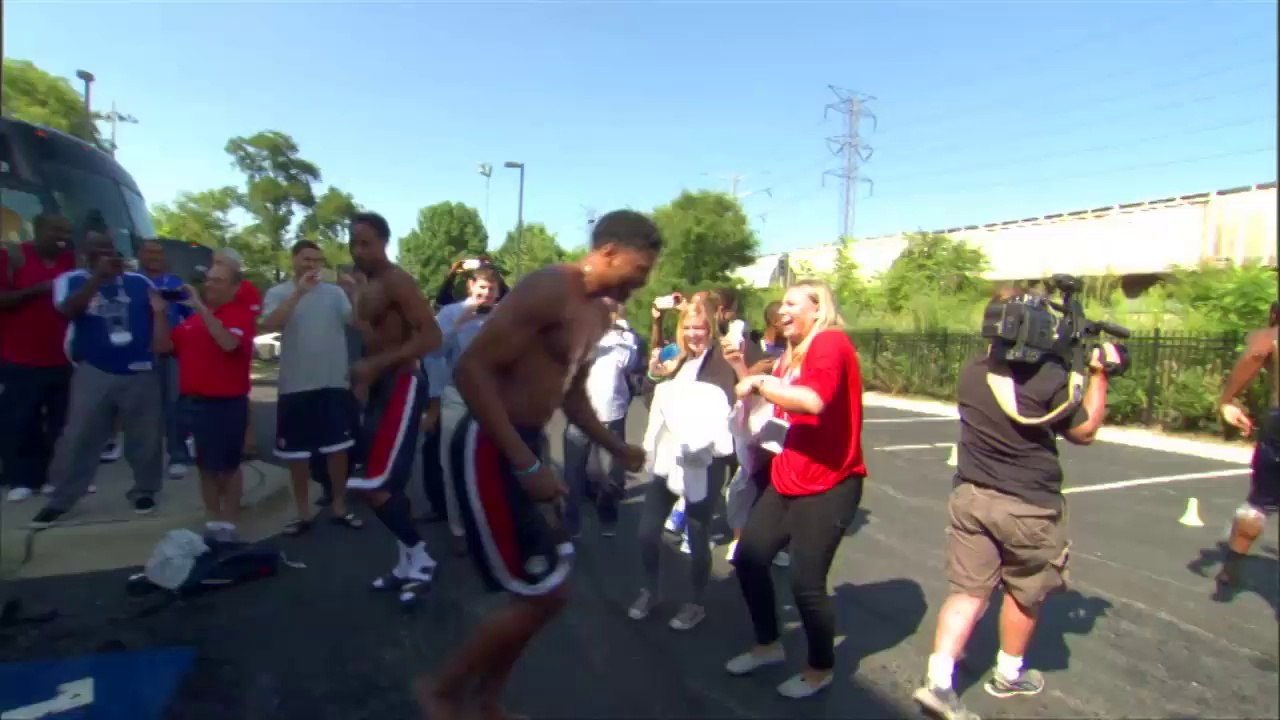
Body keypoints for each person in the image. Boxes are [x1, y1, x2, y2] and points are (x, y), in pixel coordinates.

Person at [418, 209, 660, 720]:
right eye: (639, 268)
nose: (642, 281)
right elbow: (471, 369)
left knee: (547, 594)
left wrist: (615, 447)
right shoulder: (550, 287)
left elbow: (571, 395)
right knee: (541, 595)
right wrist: (527, 466)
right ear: (609, 251)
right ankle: (443, 691)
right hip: (488, 446)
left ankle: (485, 700)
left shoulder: (599, 314)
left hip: (524, 445)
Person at [911, 287, 1117, 720]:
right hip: (1028, 506)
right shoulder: (1047, 378)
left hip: (971, 496)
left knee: (967, 592)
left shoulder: (974, 370)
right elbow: (1084, 431)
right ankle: (1009, 673)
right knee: (1025, 592)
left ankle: (938, 682)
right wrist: (1099, 375)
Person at [721, 279, 866, 699]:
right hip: (789, 474)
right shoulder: (791, 353)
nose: (781, 311)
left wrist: (759, 383)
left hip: (830, 482)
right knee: (749, 559)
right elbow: (776, 407)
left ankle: (820, 669)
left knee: (807, 583)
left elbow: (813, 401)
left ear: (818, 308)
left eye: (791, 303)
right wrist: (744, 373)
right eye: (780, 305)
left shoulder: (830, 342)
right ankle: (768, 644)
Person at [31, 232, 165, 527]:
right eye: (98, 249)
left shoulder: (139, 282)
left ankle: (145, 490)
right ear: (85, 253)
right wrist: (98, 279)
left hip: (140, 369)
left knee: (146, 437)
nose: (106, 253)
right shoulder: (71, 280)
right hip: (94, 369)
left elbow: (158, 314)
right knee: (79, 435)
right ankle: (62, 500)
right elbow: (68, 311)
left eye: (109, 248)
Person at [342, 212, 442, 596]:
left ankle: (421, 557)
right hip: (380, 389)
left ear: (384, 242)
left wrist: (377, 364)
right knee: (386, 486)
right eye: (354, 243)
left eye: (366, 243)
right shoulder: (368, 284)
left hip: (403, 385)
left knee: (375, 484)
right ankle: (407, 563)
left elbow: (431, 336)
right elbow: (370, 335)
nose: (358, 250)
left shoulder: (398, 280)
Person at [629, 296, 735, 631]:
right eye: (687, 327)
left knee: (698, 535)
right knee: (647, 533)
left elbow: (728, 403)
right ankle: (651, 590)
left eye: (699, 327)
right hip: (668, 457)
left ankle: (695, 603)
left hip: (705, 459)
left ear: (711, 328)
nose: (692, 334)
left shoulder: (723, 361)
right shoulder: (676, 356)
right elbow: (651, 397)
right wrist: (654, 374)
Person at [261, 241, 363, 533]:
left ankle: (339, 506)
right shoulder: (278, 292)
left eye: (317, 260)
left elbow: (356, 322)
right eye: (306, 259)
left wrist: (354, 293)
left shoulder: (334, 293)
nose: (312, 265)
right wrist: (299, 293)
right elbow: (269, 324)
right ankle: (303, 512)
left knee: (338, 449)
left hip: (333, 382)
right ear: (294, 259)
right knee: (297, 454)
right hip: (295, 384)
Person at [150, 262, 255, 544]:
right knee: (205, 466)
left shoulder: (239, 314)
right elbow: (163, 347)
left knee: (228, 467)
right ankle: (213, 519)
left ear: (234, 287)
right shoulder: (191, 321)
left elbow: (228, 343)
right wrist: (159, 313)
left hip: (226, 404)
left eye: (218, 280)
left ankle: (229, 523)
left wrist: (199, 306)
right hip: (194, 403)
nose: (209, 285)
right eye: (208, 280)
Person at [0, 214, 75, 503]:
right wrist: (38, 290)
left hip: (62, 357)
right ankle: (23, 479)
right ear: (39, 229)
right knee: (20, 420)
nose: (62, 237)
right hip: (19, 356)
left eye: (66, 232)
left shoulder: (71, 261)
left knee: (61, 422)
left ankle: (54, 476)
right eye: (56, 230)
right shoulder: (13, 257)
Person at [432, 263, 504, 553]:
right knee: (452, 462)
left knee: (494, 462)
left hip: (494, 397)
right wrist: (460, 323)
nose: (486, 295)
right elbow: (434, 351)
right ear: (471, 286)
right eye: (482, 288)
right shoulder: (451, 313)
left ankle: (490, 525)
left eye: (492, 290)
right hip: (457, 396)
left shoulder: (505, 315)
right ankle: (458, 528)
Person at [1213, 301, 1280, 598]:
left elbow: (1256, 352)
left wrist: (1227, 399)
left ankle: (1230, 570)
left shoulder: (1272, 335)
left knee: (1258, 505)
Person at [562, 297, 640, 538]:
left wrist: (619, 330)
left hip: (612, 415)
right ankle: (571, 524)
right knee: (573, 473)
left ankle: (608, 516)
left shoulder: (626, 338)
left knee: (612, 474)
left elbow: (629, 365)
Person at [138, 239, 195, 478]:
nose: (154, 257)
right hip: (139, 353)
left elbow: (190, 316)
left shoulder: (175, 283)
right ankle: (145, 461)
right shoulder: (132, 281)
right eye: (149, 252)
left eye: (159, 253)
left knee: (175, 405)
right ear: (140, 255)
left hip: (172, 352)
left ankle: (178, 455)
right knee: (143, 409)